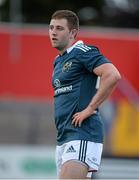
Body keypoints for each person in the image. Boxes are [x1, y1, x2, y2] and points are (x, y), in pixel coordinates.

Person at [49, 9, 121, 179]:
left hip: (82, 134)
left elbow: (112, 74)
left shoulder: (82, 51)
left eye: (59, 28)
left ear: (73, 32)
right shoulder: (58, 60)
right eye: (51, 27)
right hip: (64, 137)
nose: (53, 32)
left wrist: (90, 109)